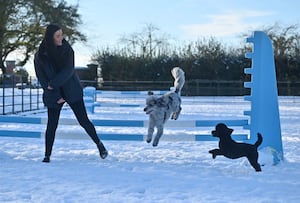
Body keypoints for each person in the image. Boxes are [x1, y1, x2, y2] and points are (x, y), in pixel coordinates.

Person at [34, 24, 108, 163]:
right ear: (50, 38)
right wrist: (55, 93)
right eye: (57, 36)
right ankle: (47, 155)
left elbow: (68, 71)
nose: (61, 38)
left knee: (83, 120)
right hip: (53, 94)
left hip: (71, 90)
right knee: (51, 124)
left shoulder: (68, 50)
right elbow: (41, 77)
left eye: (61, 34)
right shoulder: (40, 56)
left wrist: (53, 84)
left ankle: (100, 145)